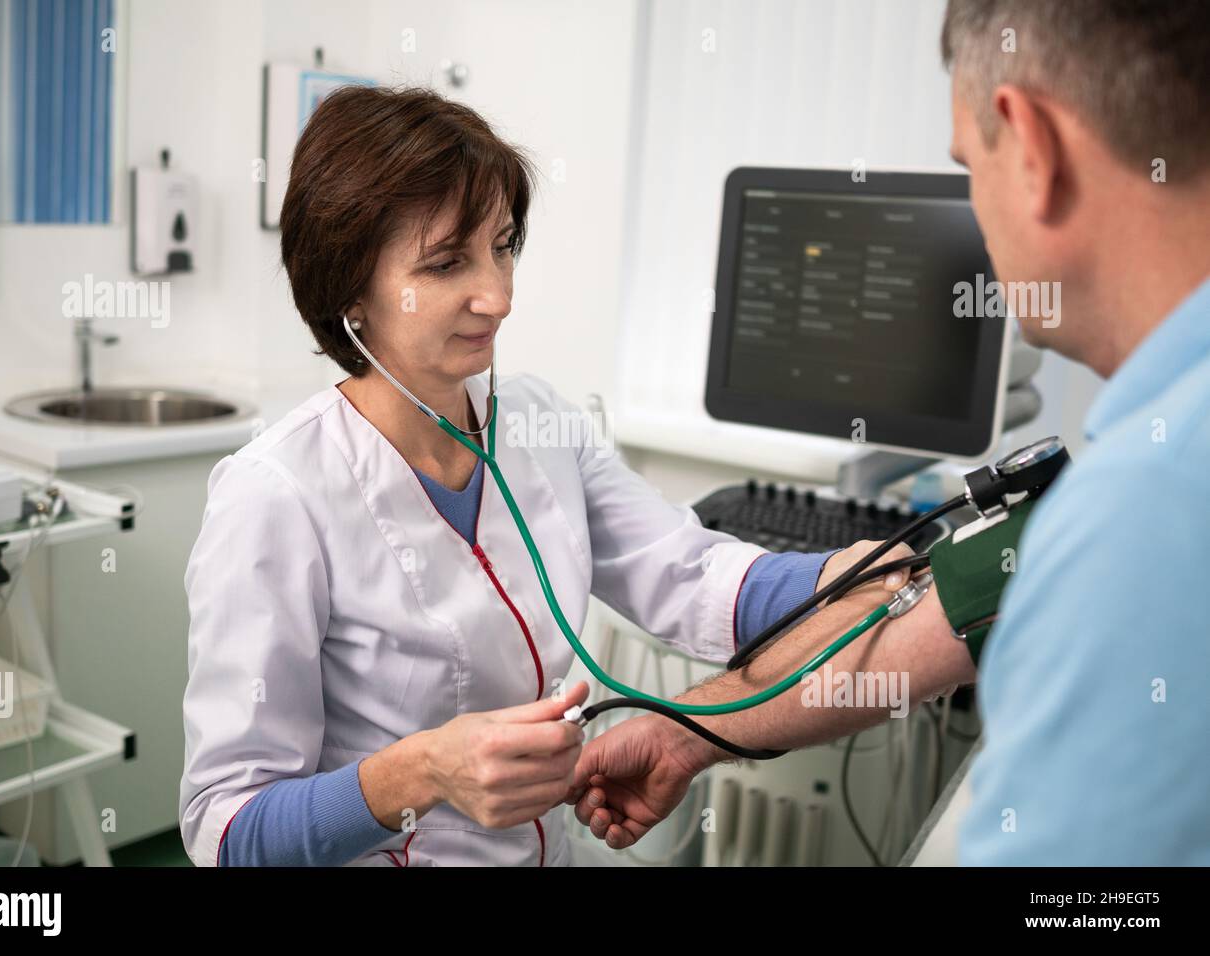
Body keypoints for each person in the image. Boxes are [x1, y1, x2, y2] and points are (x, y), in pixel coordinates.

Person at [178, 86, 911, 867]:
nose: (497, 296)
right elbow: (227, 830)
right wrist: (421, 771)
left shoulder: (535, 421)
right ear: (350, 288)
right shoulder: (275, 494)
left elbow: (693, 576)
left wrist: (853, 571)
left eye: (502, 246)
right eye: (446, 262)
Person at [568, 0, 1210, 866]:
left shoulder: (1146, 512)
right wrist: (689, 734)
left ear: (1031, 148)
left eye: (967, 166)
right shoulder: (1137, 477)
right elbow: (953, 602)